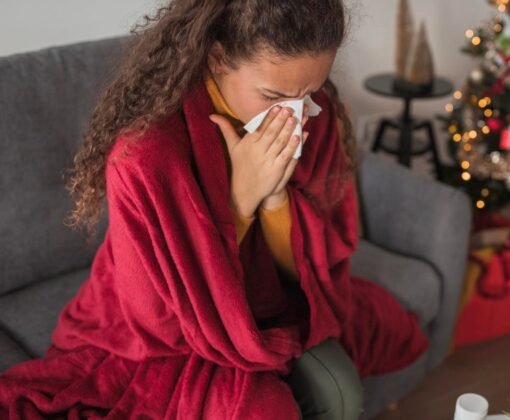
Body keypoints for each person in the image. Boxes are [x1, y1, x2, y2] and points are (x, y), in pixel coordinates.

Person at [0, 0, 429, 418]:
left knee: (371, 345)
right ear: (219, 58)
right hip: (166, 327)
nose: (293, 114)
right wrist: (239, 203)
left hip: (274, 299)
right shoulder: (145, 155)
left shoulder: (315, 116)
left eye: (309, 92)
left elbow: (323, 260)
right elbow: (157, 319)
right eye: (273, 95)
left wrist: (275, 199)